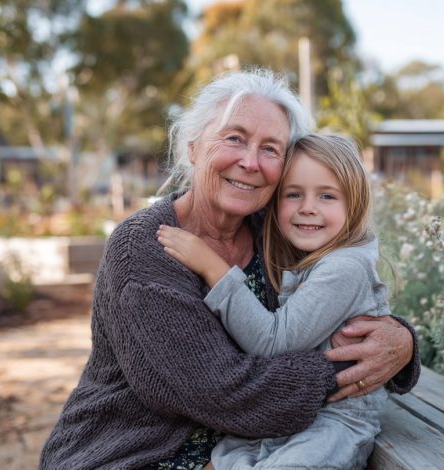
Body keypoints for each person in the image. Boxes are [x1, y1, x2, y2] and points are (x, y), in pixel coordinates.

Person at [39, 69, 419, 470]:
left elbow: (333, 302)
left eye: (271, 149)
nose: (251, 162)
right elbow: (224, 393)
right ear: (193, 147)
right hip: (134, 453)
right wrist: (348, 367)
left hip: (247, 450)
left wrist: (401, 342)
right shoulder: (145, 249)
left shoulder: (278, 233)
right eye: (234, 138)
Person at [157, 133, 391, 469]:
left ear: (353, 205)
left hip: (337, 421)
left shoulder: (346, 266)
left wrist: (212, 266)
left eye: (327, 196)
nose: (307, 207)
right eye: (294, 194)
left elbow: (274, 342)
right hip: (288, 414)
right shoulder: (302, 255)